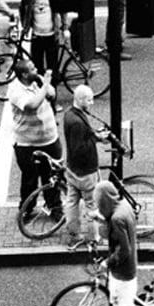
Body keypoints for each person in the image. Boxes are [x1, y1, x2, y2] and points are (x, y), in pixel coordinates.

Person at [94, 180, 154, 306]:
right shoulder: (123, 206)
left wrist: (107, 263)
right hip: (125, 266)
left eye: (99, 201)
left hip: (122, 269)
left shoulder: (117, 219)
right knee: (117, 301)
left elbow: (123, 250)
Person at [7, 58, 62, 210]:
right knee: (30, 179)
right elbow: (32, 105)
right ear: (24, 75)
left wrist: (45, 85)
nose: (36, 70)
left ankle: (54, 206)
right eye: (32, 69)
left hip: (50, 139)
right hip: (27, 144)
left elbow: (51, 94)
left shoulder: (37, 82)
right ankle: (27, 208)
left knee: (52, 177)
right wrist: (45, 85)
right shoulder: (15, 90)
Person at [62, 85, 109, 248]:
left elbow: (78, 141)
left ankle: (74, 234)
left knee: (71, 202)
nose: (92, 102)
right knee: (91, 205)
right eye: (89, 100)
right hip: (86, 172)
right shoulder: (77, 123)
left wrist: (94, 136)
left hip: (71, 169)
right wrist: (95, 140)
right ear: (80, 99)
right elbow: (79, 148)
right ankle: (95, 237)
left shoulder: (69, 114)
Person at [19, 0, 62, 92]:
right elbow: (22, 9)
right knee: (37, 69)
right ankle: (40, 94)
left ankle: (52, 98)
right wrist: (25, 25)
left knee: (52, 69)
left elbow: (62, 11)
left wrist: (65, 28)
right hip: (37, 36)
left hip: (51, 36)